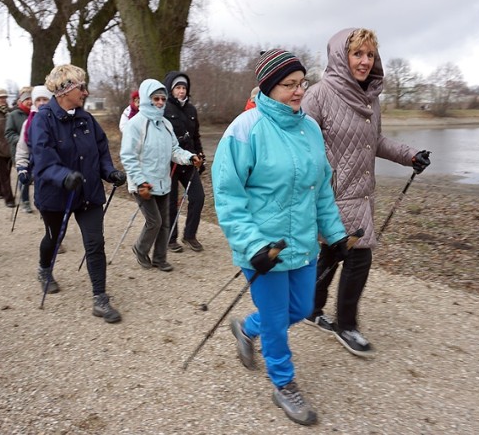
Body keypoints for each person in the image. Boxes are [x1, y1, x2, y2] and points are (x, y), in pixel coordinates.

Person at [211, 49, 349, 426]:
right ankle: (283, 384)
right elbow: (227, 195)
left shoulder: (311, 129)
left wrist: (335, 234)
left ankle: (245, 327)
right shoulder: (244, 129)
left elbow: (320, 189)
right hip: (264, 250)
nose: (298, 91)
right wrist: (253, 245)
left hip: (302, 245)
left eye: (301, 83)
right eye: (289, 85)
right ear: (268, 87)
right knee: (275, 319)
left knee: (302, 309)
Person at [302, 28, 431, 357]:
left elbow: (376, 142)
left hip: (361, 194)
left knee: (331, 254)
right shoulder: (318, 95)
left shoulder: (370, 98)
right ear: (340, 57)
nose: (364, 61)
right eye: (358, 53)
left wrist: (410, 155)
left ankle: (310, 308)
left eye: (370, 55)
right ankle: (346, 325)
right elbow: (300, 145)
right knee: (360, 257)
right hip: (330, 195)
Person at [29, 64, 127, 323]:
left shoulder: (86, 119)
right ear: (64, 90)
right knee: (53, 236)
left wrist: (109, 172)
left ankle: (100, 298)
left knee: (95, 243)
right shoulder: (43, 119)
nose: (85, 92)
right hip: (55, 195)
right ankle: (44, 269)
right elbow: (43, 158)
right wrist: (63, 176)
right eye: (80, 87)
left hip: (88, 192)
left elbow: (101, 149)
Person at [119, 79, 202, 272]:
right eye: (155, 98)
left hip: (163, 182)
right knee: (154, 221)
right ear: (147, 99)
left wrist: (190, 157)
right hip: (143, 184)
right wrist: (140, 182)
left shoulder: (165, 124)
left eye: (163, 99)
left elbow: (174, 150)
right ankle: (140, 249)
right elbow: (128, 156)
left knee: (165, 223)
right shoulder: (135, 125)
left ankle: (160, 258)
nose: (160, 102)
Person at [163, 71, 205, 253]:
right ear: (171, 90)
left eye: (184, 88)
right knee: (171, 201)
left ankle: (189, 235)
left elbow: (195, 136)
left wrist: (200, 156)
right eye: (178, 88)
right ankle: (171, 238)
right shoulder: (164, 108)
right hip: (169, 162)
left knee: (198, 197)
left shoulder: (192, 110)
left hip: (189, 160)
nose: (181, 91)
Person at [5, 86, 33, 212]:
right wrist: (23, 140)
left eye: (31, 99)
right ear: (21, 101)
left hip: (36, 152)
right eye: (27, 99)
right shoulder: (13, 115)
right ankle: (25, 201)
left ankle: (40, 200)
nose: (30, 101)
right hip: (20, 151)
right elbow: (9, 133)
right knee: (24, 177)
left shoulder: (36, 114)